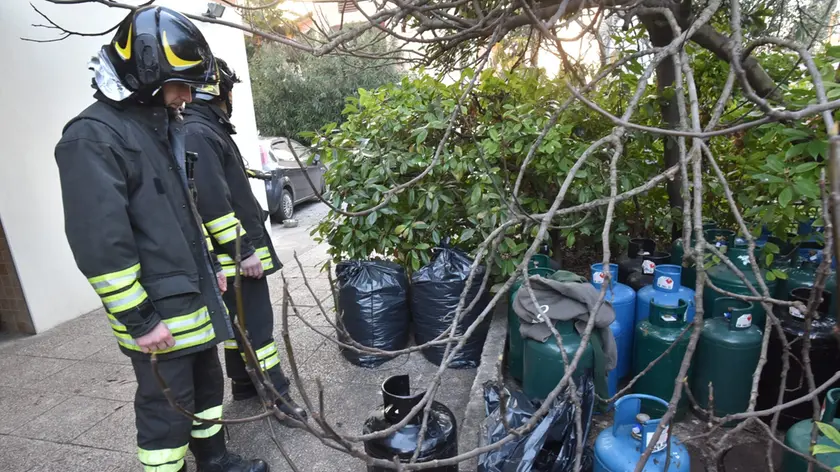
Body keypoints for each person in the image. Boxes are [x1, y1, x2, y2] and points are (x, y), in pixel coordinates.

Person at [53, 6, 269, 472]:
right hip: (157, 314)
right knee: (165, 414)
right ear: (147, 75)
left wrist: (213, 265)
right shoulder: (92, 139)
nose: (188, 96)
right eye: (181, 84)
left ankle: (214, 460)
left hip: (191, 298)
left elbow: (184, 214)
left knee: (207, 390)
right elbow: (101, 246)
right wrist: (140, 319)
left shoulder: (158, 129)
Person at [183, 57, 307, 421]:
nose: (231, 95)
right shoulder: (199, 132)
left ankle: (243, 384)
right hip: (234, 257)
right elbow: (213, 203)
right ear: (215, 88)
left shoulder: (205, 128)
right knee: (257, 327)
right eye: (229, 88)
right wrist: (243, 252)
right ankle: (278, 398)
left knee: (242, 324)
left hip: (235, 255)